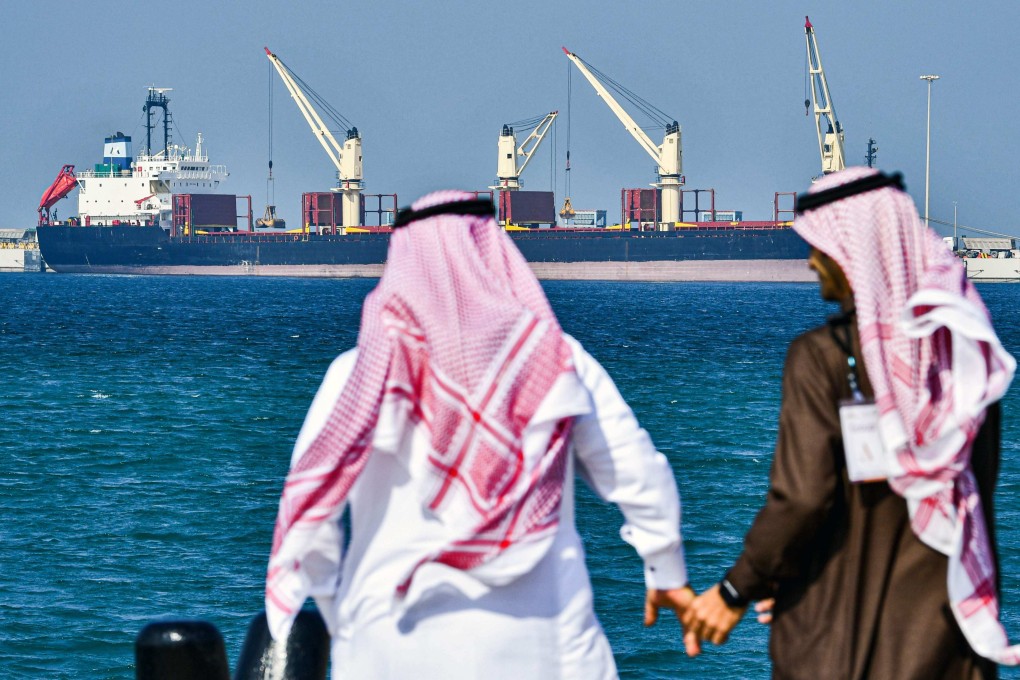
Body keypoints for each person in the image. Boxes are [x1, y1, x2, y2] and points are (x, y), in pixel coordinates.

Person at [265, 190, 697, 679]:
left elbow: (309, 513)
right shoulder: (557, 360)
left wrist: (342, 618)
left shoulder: (355, 375)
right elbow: (640, 477)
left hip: (387, 649)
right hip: (544, 652)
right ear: (495, 252)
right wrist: (667, 569)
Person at [684, 168, 1016, 678]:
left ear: (852, 250)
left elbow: (803, 498)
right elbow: (976, 494)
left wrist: (736, 590)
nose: (812, 261)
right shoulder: (968, 360)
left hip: (839, 647)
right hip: (950, 645)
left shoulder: (822, 358)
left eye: (821, 246)